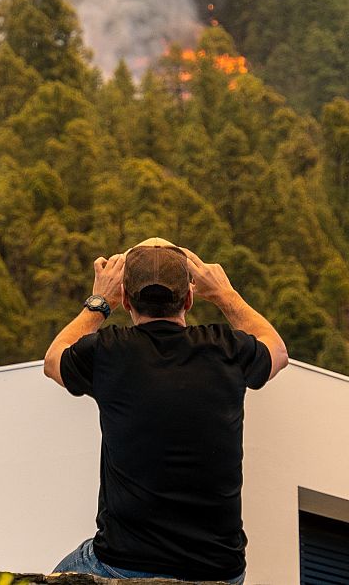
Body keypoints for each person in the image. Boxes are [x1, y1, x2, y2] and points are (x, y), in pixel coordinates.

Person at [43, 238, 289, 583]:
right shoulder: (226, 348)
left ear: (126, 299)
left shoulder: (108, 352)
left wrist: (100, 302)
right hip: (219, 571)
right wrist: (223, 294)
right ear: (188, 298)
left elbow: (54, 360)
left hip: (123, 563)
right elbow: (277, 351)